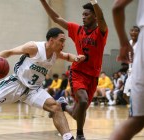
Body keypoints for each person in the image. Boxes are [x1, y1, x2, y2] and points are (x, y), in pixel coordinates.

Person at [40, 0, 108, 139]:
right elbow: (56, 18)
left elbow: (102, 18)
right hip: (78, 72)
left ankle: (63, 106)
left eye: (86, 14)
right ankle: (80, 135)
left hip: (93, 76)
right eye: (82, 14)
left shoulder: (101, 32)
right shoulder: (77, 30)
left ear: (95, 17)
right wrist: (44, 2)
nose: (83, 17)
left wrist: (94, 2)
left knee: (78, 114)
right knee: (82, 101)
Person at [109, 0, 144, 140]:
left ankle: (132, 108)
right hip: (132, 72)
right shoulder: (131, 43)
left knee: (136, 121)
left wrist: (122, 43)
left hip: (138, 69)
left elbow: (117, 7)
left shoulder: (136, 43)